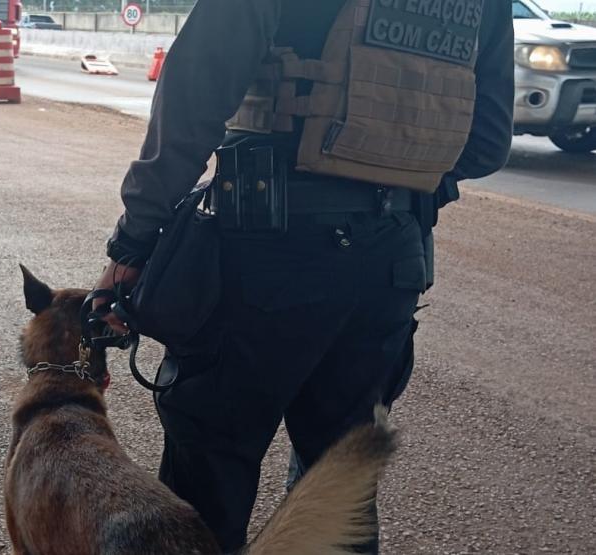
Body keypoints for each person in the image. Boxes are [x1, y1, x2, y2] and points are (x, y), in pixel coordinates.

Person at [93, 1, 514, 552]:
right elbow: (485, 144)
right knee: (338, 483)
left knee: (209, 471)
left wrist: (132, 244)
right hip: (392, 260)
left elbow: (193, 105)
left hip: (265, 254)